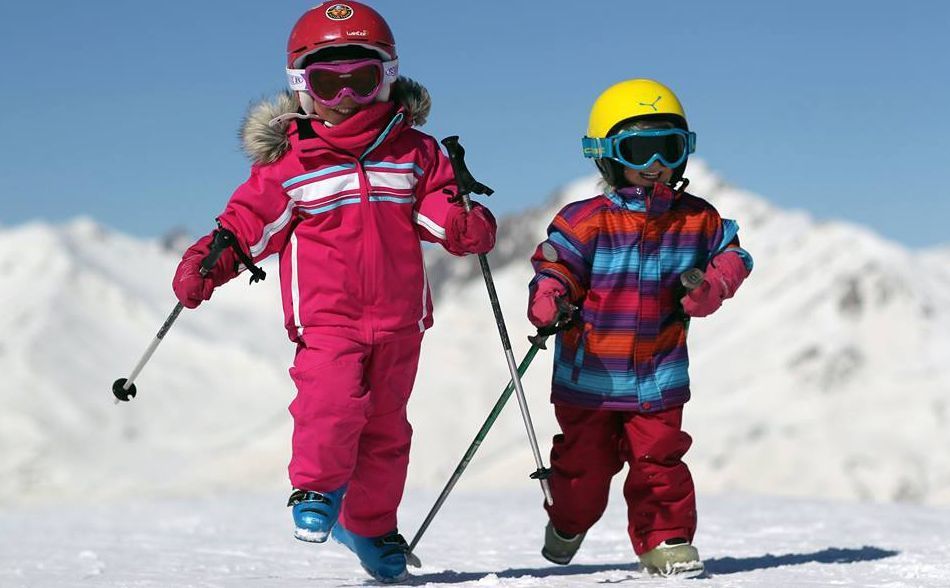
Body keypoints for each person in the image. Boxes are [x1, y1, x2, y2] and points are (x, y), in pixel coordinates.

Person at [171, 2, 496, 583]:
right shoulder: (292, 163)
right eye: (327, 81)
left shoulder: (415, 153)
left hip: (399, 323)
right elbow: (251, 225)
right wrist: (211, 260)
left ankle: (369, 527)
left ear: (387, 77)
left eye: (362, 79)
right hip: (328, 319)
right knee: (332, 403)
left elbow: (437, 212)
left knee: (387, 432)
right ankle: (317, 491)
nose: (345, 96)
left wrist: (463, 221)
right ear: (301, 85)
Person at [526, 79, 752, 578]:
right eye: (639, 149)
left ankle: (665, 540)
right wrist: (550, 297)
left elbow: (735, 255)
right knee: (584, 472)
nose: (656, 165)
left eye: (668, 149)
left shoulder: (697, 219)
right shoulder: (585, 221)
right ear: (606, 155)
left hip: (659, 374)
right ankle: (568, 519)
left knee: (659, 462)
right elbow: (556, 265)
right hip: (591, 378)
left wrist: (712, 284)